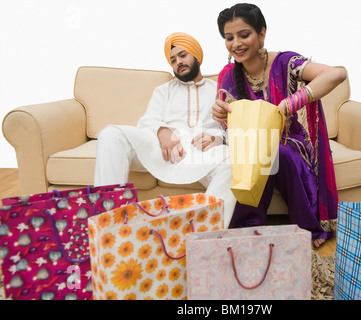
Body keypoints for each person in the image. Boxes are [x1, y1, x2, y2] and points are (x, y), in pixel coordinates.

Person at [212, 3, 347, 247]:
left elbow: (336, 74)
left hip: (289, 141)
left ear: (262, 34)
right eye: (229, 38)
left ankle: (306, 227)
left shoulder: (284, 62)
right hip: (248, 144)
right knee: (255, 154)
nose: (236, 44)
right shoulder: (228, 75)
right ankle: (248, 230)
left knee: (276, 152)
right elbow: (228, 125)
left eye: (244, 35)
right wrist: (220, 114)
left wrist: (288, 104)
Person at [94, 32, 236, 228]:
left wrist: (217, 139)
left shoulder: (218, 89)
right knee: (111, 134)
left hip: (202, 153)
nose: (178, 62)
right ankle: (107, 226)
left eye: (183, 55)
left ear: (196, 55)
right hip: (164, 151)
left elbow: (229, 127)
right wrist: (163, 132)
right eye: (173, 60)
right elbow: (147, 121)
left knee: (234, 162)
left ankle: (203, 235)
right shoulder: (164, 90)